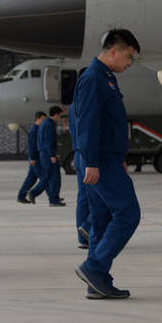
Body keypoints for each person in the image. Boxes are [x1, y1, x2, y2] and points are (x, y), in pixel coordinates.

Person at [74, 29, 141, 299]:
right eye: (128, 57)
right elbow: (87, 123)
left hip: (106, 159)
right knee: (128, 213)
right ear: (114, 51)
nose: (129, 63)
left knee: (101, 222)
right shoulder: (94, 79)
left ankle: (97, 283)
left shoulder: (106, 78)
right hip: (99, 161)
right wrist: (92, 161)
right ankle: (94, 268)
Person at [28, 106, 65, 206]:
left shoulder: (45, 123)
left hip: (45, 153)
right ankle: (40, 194)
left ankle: (54, 198)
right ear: (56, 114)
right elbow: (49, 141)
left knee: (50, 177)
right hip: (48, 154)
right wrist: (52, 155)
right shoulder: (49, 124)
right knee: (52, 177)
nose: (59, 118)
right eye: (59, 116)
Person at [68, 102, 92, 249]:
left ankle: (83, 238)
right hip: (88, 154)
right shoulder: (88, 103)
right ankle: (88, 228)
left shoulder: (73, 106)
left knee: (83, 198)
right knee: (100, 197)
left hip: (78, 153)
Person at [17, 111, 46, 204]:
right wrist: (32, 158)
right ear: (38, 119)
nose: (44, 121)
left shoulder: (38, 129)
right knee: (45, 178)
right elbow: (32, 145)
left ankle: (21, 196)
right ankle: (50, 196)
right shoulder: (35, 130)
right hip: (36, 159)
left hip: (36, 158)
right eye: (43, 119)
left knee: (31, 179)